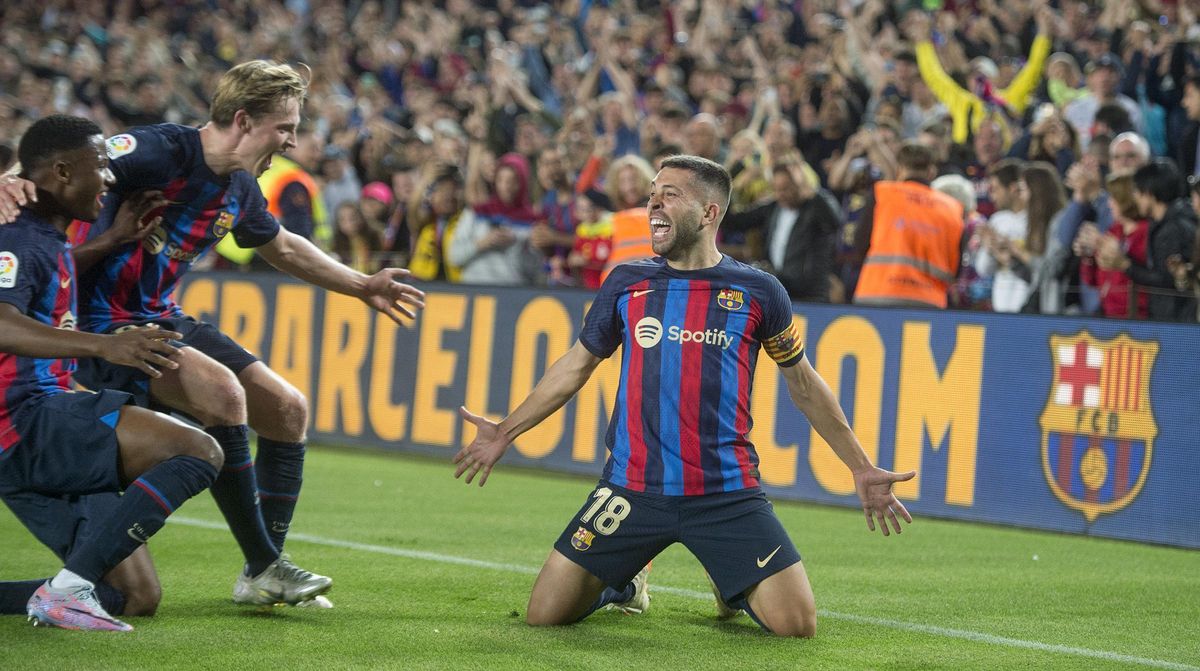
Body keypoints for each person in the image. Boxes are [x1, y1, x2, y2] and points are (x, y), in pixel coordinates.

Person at [0, 60, 426, 607]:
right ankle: (266, 563)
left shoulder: (241, 190)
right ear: (244, 121)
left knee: (286, 407)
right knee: (222, 394)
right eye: (286, 128)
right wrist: (10, 179)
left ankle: (260, 569)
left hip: (160, 314)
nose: (293, 142)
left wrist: (362, 283)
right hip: (99, 323)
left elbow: (286, 248)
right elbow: (73, 153)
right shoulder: (159, 151)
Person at [452, 155, 914, 637]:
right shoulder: (628, 282)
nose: (654, 202)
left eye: (670, 194)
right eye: (653, 192)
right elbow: (575, 365)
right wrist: (505, 431)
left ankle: (728, 576)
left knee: (796, 626)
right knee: (544, 615)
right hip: (630, 489)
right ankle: (628, 582)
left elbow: (803, 382)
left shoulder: (758, 290)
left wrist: (860, 466)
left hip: (726, 494)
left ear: (709, 214)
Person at [0, 114, 223, 631]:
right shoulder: (16, 239)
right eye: (99, 165)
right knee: (199, 450)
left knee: (134, 595)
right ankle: (67, 590)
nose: (108, 177)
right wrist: (106, 345)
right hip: (27, 425)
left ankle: (64, 591)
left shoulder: (48, 242)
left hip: (35, 434)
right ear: (60, 171)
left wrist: (113, 239)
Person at [853, 143, 964, 308]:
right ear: (932, 171)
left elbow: (859, 243)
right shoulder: (952, 208)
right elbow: (956, 268)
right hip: (927, 303)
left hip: (877, 295)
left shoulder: (882, 193)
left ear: (899, 168)